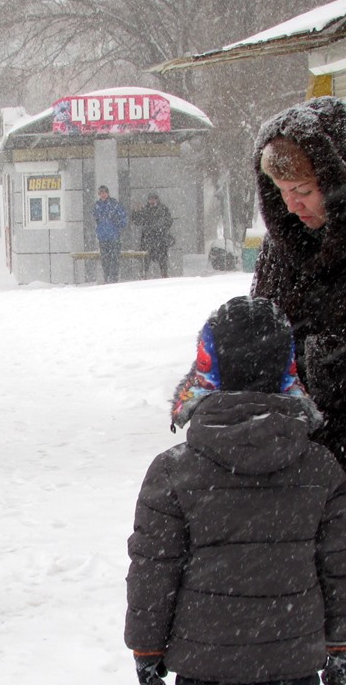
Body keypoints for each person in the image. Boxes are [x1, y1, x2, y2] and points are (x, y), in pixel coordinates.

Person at [125, 295, 346, 685]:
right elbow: (339, 568)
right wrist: (341, 647)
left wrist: (146, 649)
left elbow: (154, 570)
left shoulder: (173, 470)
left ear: (209, 366)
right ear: (286, 367)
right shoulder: (320, 468)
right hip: (294, 663)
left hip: (204, 665)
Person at [251, 96, 346, 467]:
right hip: (297, 454)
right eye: (281, 192)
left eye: (304, 191)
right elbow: (259, 328)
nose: (292, 206)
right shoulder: (281, 247)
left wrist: (322, 363)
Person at [130, 192, 174, 278]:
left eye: (154, 198)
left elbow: (169, 221)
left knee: (162, 258)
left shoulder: (163, 209)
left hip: (160, 238)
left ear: (157, 199)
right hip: (148, 239)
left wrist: (160, 225)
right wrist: (135, 212)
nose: (152, 201)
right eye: (150, 199)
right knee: (146, 259)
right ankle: (144, 275)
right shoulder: (145, 209)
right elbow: (137, 221)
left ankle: (164, 274)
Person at [94, 185, 128, 283]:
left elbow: (123, 218)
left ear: (108, 193)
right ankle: (107, 277)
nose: (103, 194)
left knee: (114, 259)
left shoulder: (114, 204)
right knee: (105, 260)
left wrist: (117, 225)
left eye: (104, 192)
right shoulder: (98, 206)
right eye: (101, 193)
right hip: (103, 237)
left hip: (114, 236)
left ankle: (113, 279)